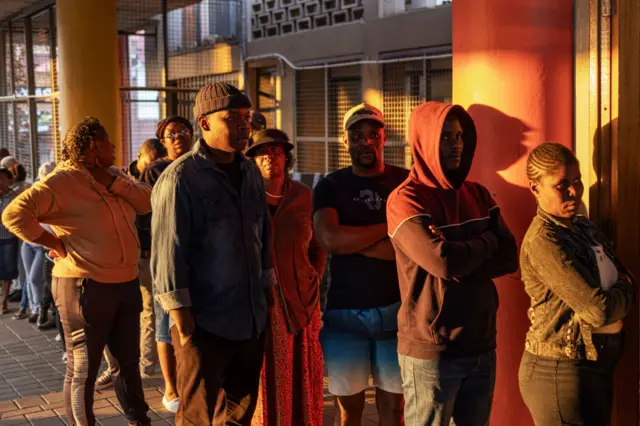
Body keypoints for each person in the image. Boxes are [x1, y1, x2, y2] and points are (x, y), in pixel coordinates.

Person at [2, 117, 152, 426]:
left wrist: (115, 181)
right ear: (94, 145)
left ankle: (140, 421)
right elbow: (14, 214)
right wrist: (50, 240)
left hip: (124, 283)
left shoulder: (114, 176)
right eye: (109, 141)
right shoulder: (62, 181)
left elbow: (148, 202)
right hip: (84, 286)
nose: (114, 147)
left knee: (128, 364)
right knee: (83, 368)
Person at [386, 101, 518, 426]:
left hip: (481, 343)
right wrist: (486, 242)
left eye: (459, 136)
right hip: (433, 351)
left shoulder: (479, 194)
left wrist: (463, 252)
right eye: (445, 136)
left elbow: (509, 255)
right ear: (424, 140)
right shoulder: (406, 200)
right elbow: (442, 263)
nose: (456, 144)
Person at [152, 82, 275, 425]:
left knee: (239, 412)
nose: (243, 125)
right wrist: (183, 319)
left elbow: (262, 233)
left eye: (246, 117)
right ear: (204, 123)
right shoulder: (181, 178)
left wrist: (267, 290)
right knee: (198, 415)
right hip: (204, 323)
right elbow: (168, 251)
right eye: (232, 117)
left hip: (250, 316)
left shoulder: (250, 170)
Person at [518, 143, 635, 425]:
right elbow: (598, 310)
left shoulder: (583, 227)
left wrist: (623, 288)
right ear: (535, 188)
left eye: (577, 181)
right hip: (560, 372)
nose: (574, 191)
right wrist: (626, 291)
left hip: (593, 368)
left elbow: (625, 277)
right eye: (562, 185)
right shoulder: (544, 242)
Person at [313, 103, 407, 426]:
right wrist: (388, 231)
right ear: (345, 141)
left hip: (397, 312)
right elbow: (329, 241)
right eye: (357, 135)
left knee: (394, 410)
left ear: (383, 138)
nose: (366, 141)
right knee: (348, 412)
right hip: (344, 315)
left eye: (373, 134)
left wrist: (351, 243)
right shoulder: (330, 185)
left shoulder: (405, 182)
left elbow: (408, 250)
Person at [245, 129, 326, 426]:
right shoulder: (245, 199)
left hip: (302, 298)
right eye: (263, 152)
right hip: (260, 301)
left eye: (277, 151)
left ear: (286, 157)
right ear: (252, 160)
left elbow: (318, 246)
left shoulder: (303, 195)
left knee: (302, 369)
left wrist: (312, 278)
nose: (271, 157)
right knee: (265, 372)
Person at [95, 135, 172, 392]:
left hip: (145, 256)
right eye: (151, 163)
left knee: (147, 310)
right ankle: (127, 367)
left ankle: (143, 366)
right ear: (141, 157)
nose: (153, 170)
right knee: (131, 313)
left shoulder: (141, 180)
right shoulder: (122, 180)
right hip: (128, 257)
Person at [0, 168, 18, 314]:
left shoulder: (15, 197)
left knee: (7, 270)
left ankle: (3, 302)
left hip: (8, 238)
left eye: (2, 179)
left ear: (9, 180)